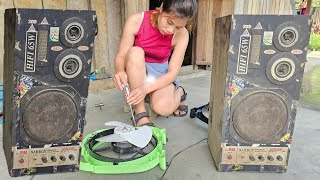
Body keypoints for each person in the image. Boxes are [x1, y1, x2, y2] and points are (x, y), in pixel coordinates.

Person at [113, 0, 198, 126]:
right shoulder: (137, 21)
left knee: (163, 108)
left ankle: (179, 91)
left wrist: (145, 88)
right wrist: (120, 70)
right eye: (169, 22)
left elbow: (172, 73)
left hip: (160, 73)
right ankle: (140, 112)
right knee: (135, 52)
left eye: (178, 27)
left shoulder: (182, 34)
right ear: (162, 8)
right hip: (136, 69)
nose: (170, 30)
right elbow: (121, 56)